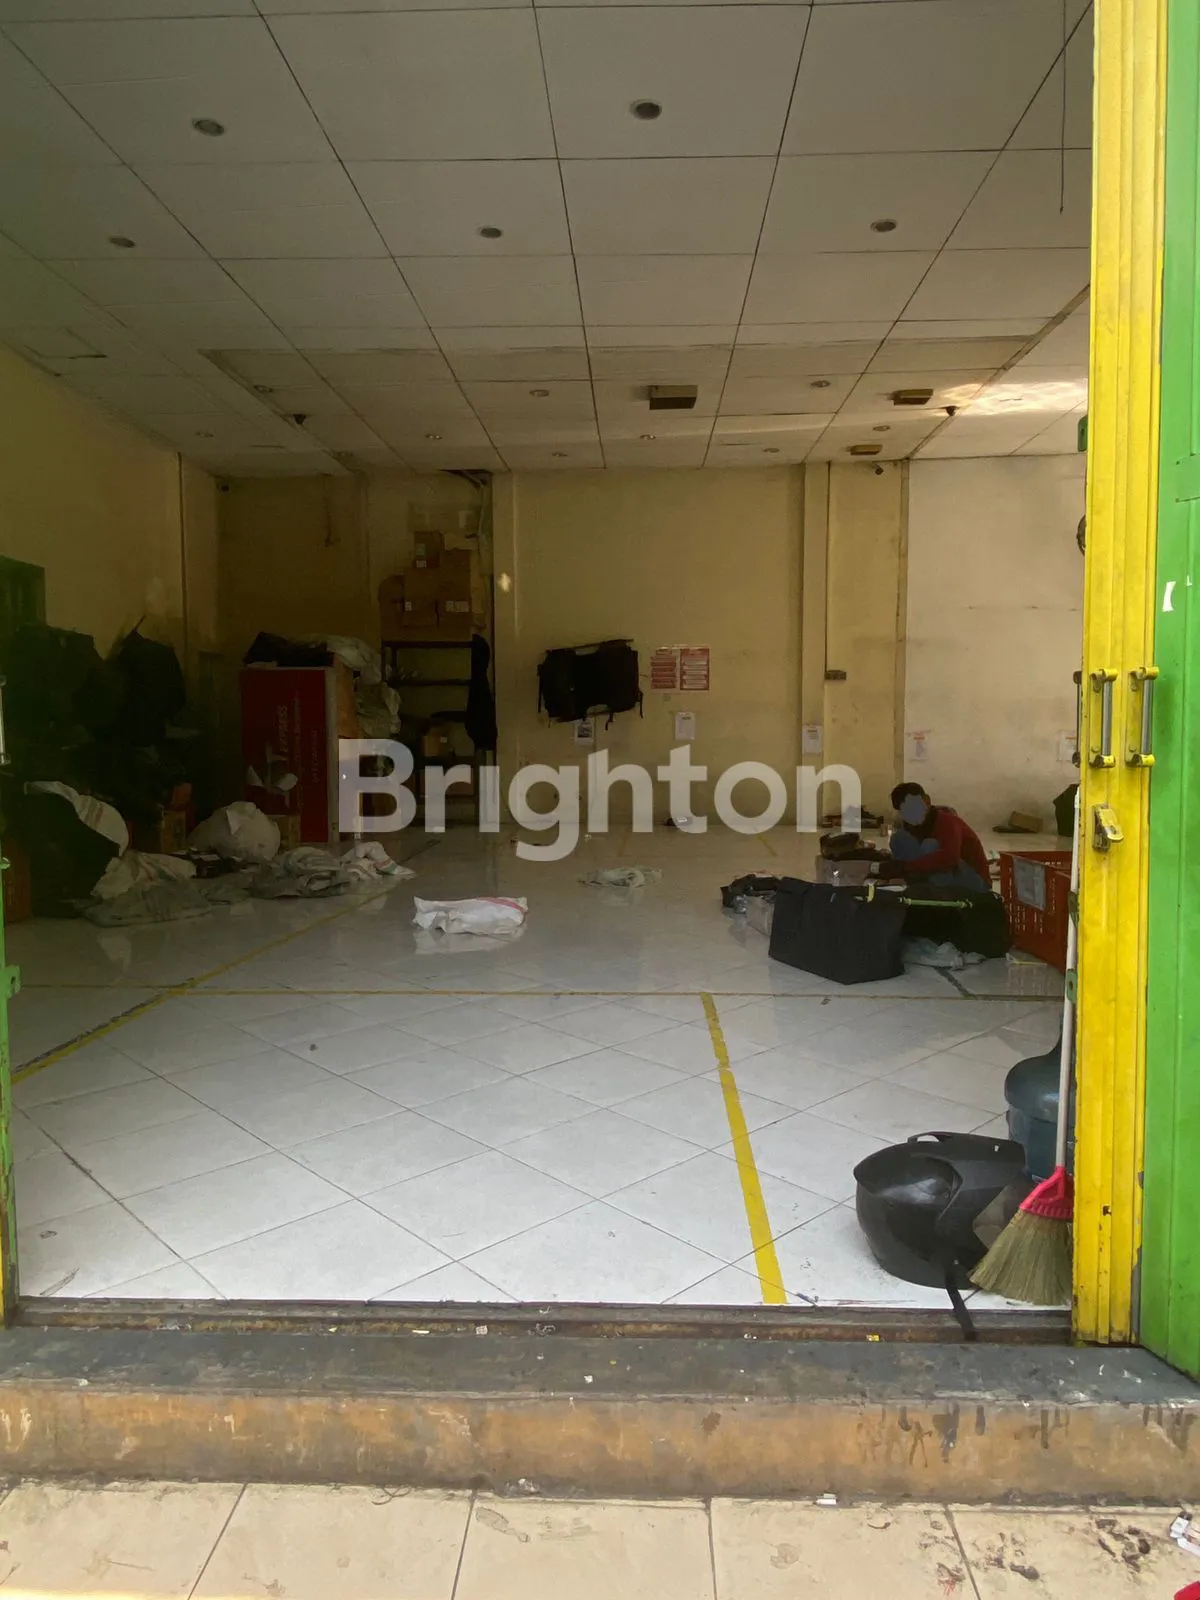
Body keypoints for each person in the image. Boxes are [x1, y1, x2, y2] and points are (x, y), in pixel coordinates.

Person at [883, 782, 990, 892]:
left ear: (927, 801)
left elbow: (950, 857)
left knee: (930, 845)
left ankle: (931, 890)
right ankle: (915, 884)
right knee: (899, 839)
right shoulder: (912, 826)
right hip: (948, 877)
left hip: (976, 882)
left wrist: (907, 866)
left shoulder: (947, 821)